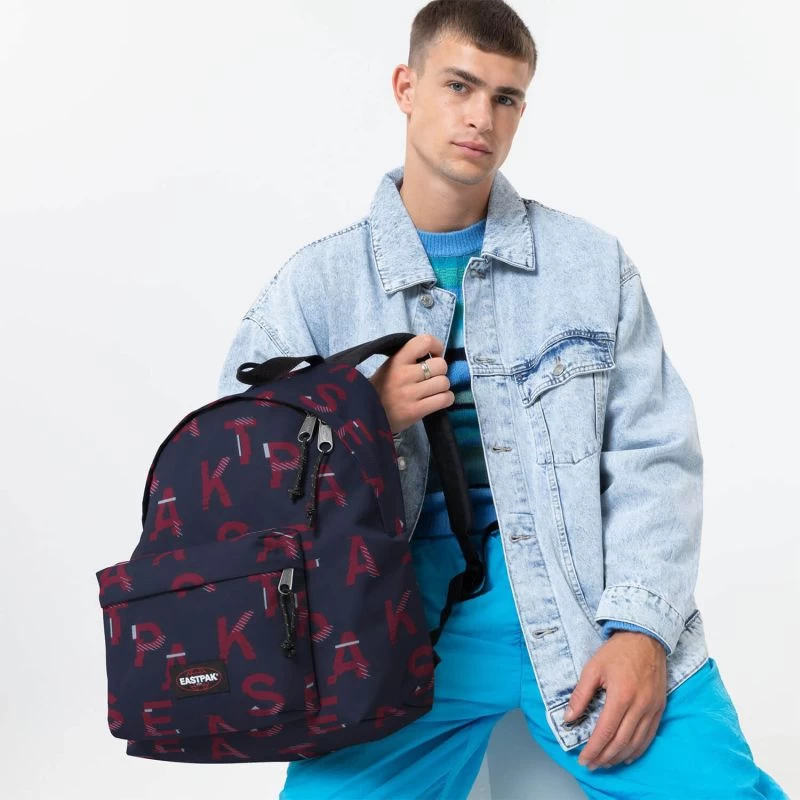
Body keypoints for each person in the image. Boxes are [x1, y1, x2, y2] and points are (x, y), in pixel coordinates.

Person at [216, 1, 789, 797]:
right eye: (459, 86)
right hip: (394, 637)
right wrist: (360, 414)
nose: (481, 117)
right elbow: (236, 481)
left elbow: (657, 453)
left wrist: (643, 629)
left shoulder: (589, 265)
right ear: (406, 87)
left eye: (506, 97)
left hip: (582, 613)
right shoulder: (315, 286)